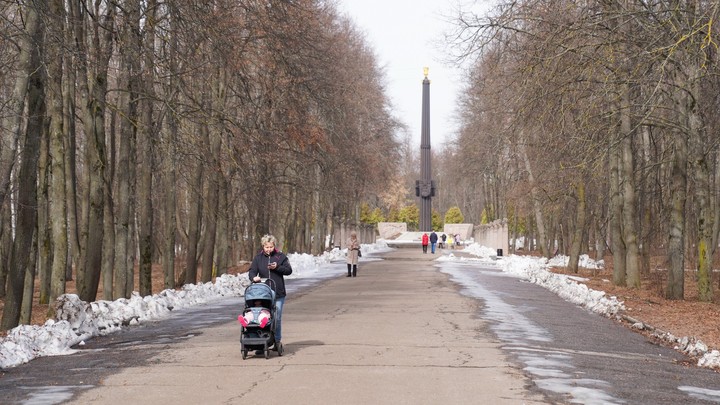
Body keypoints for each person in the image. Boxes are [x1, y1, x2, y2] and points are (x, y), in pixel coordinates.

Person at [248, 234, 292, 350]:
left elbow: (288, 270)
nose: (269, 249)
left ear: (274, 246)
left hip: (278, 293)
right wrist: (253, 278)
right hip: (263, 294)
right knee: (263, 317)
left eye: (271, 247)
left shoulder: (280, 257)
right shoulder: (258, 258)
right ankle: (262, 342)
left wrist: (277, 267)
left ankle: (277, 340)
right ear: (263, 246)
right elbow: (252, 271)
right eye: (266, 247)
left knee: (276, 317)